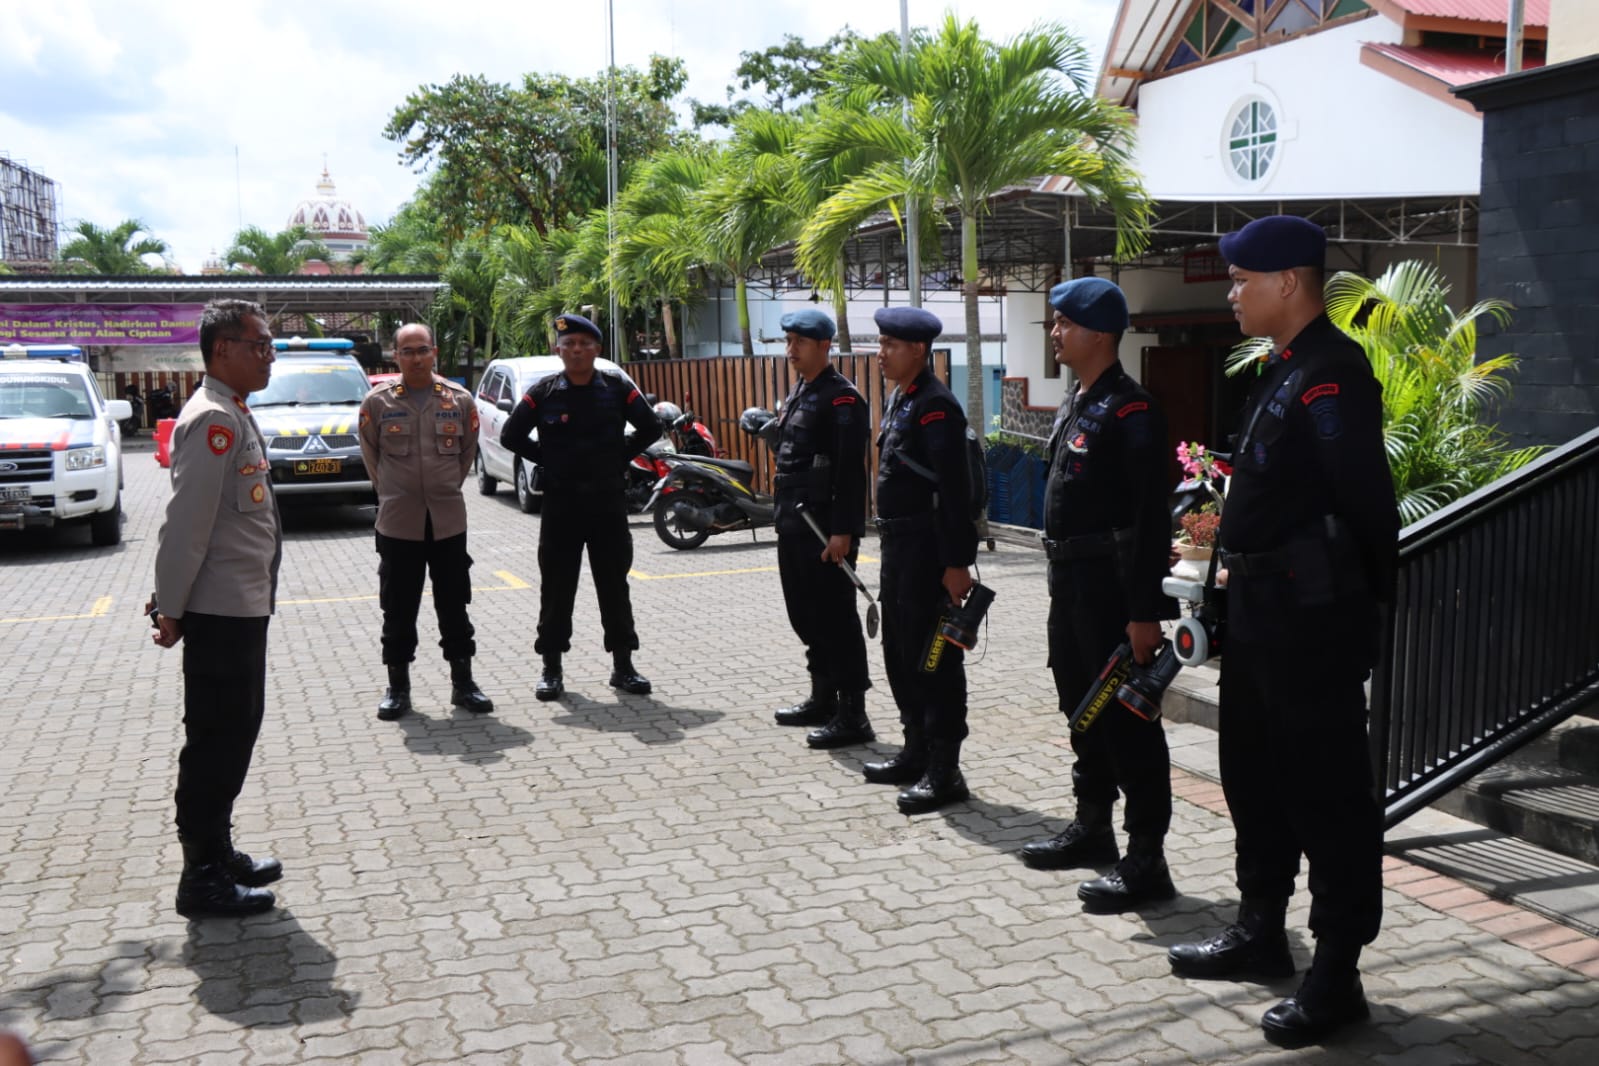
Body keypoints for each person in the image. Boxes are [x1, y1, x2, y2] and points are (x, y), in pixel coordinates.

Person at [1166, 216, 1399, 1049]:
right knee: (1253, 779)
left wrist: (1362, 618)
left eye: (1240, 280)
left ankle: (1336, 971)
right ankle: (1259, 928)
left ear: (1289, 283)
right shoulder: (1281, 374)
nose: (1230, 293)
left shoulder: (1332, 376)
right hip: (1262, 618)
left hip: (1311, 624)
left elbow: (1367, 507)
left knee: (1326, 797)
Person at [1017, 278, 1181, 914]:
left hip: (1113, 592)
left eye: (1063, 323)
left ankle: (1147, 859)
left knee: (1127, 722)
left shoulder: (1131, 410)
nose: (1054, 333)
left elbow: (1147, 521)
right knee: (1079, 705)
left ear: (1101, 334)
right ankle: (1093, 827)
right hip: (1071, 586)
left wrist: (1145, 613)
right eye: (1054, 322)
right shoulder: (1077, 402)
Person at [150, 298, 283, 919]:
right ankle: (199, 877)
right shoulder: (212, 420)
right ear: (222, 349)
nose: (269, 355)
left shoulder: (231, 410)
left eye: (269, 344)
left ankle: (218, 849)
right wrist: (170, 607)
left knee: (236, 732)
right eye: (258, 344)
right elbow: (186, 527)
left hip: (241, 604)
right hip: (219, 610)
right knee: (215, 740)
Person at [500, 314, 659, 699]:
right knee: (557, 588)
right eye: (569, 344)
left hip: (607, 504)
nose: (576, 350)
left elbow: (651, 427)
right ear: (559, 350)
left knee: (614, 586)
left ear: (597, 349)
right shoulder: (543, 392)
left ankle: (624, 666)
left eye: (584, 344)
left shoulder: (618, 389)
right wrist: (545, 458)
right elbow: (510, 434)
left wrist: (620, 455)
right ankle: (551, 669)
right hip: (561, 506)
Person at [866, 306, 979, 814]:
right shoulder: (902, 399)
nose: (881, 353)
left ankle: (944, 768)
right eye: (881, 342)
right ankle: (914, 749)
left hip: (929, 552)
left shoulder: (936, 406)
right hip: (899, 551)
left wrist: (956, 563)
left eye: (890, 344)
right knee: (900, 654)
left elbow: (955, 493)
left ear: (918, 350)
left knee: (935, 660)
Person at [357, 323, 492, 721]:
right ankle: (398, 688)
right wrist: (396, 493)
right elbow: (372, 458)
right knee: (397, 608)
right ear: (395, 356)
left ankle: (463, 683)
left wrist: (443, 486)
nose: (416, 358)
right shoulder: (377, 403)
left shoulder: (459, 400)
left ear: (434, 353)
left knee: (455, 605)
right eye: (407, 351)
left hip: (448, 521)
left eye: (422, 350)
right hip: (398, 523)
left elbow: (466, 455)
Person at [767, 309, 873, 747]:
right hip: (793, 522)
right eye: (788, 341)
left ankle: (853, 713)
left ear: (824, 346)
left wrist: (844, 532)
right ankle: (822, 697)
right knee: (806, 616)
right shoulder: (801, 392)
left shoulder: (842, 398)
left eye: (800, 342)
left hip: (824, 528)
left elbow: (851, 472)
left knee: (836, 620)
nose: (791, 350)